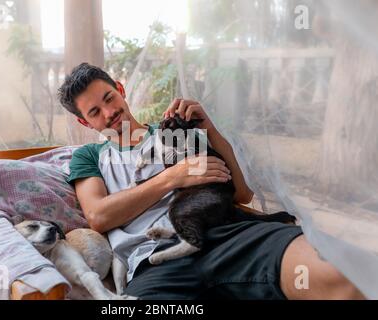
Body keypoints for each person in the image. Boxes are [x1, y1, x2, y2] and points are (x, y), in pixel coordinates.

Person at [58, 62, 365, 300]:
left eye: (109, 98)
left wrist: (209, 130)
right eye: (95, 112)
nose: (110, 112)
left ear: (121, 89)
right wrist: (172, 177)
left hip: (228, 236)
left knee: (342, 275)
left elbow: (242, 195)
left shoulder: (176, 132)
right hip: (156, 263)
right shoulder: (90, 155)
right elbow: (98, 216)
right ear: (85, 122)